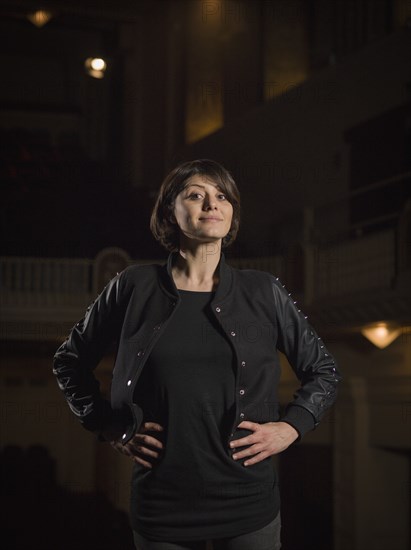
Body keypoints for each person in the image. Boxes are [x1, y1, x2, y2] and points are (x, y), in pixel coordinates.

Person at [53, 159, 341, 550]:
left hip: (248, 502)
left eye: (222, 196)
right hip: (162, 504)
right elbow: (69, 361)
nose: (212, 204)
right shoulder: (132, 287)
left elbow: (323, 369)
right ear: (170, 210)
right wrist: (108, 424)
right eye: (196, 195)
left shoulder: (264, 291)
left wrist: (292, 427)